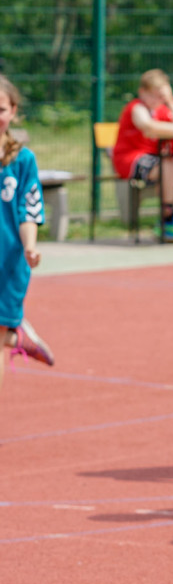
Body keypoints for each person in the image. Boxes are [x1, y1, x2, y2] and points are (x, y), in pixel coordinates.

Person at [0, 75, 55, 393]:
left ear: (13, 110)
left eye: (1, 108)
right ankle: (17, 336)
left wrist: (30, 247)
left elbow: (28, 211)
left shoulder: (22, 160)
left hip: (8, 264)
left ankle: (8, 336)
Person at [112, 69, 173, 242]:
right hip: (130, 160)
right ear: (142, 92)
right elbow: (148, 127)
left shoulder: (162, 109)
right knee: (168, 165)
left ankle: (171, 220)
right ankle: (168, 211)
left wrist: (170, 100)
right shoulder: (136, 108)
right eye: (154, 95)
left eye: (160, 96)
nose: (157, 100)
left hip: (156, 163)